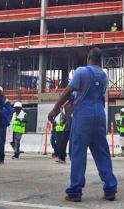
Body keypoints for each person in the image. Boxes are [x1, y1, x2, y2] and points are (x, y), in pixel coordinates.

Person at [48, 47, 117, 202]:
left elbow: (67, 91)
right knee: (102, 153)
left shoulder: (81, 71)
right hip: (100, 115)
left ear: (88, 57)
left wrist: (55, 109)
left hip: (83, 116)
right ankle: (110, 188)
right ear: (99, 59)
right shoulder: (103, 75)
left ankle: (75, 191)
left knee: (77, 153)